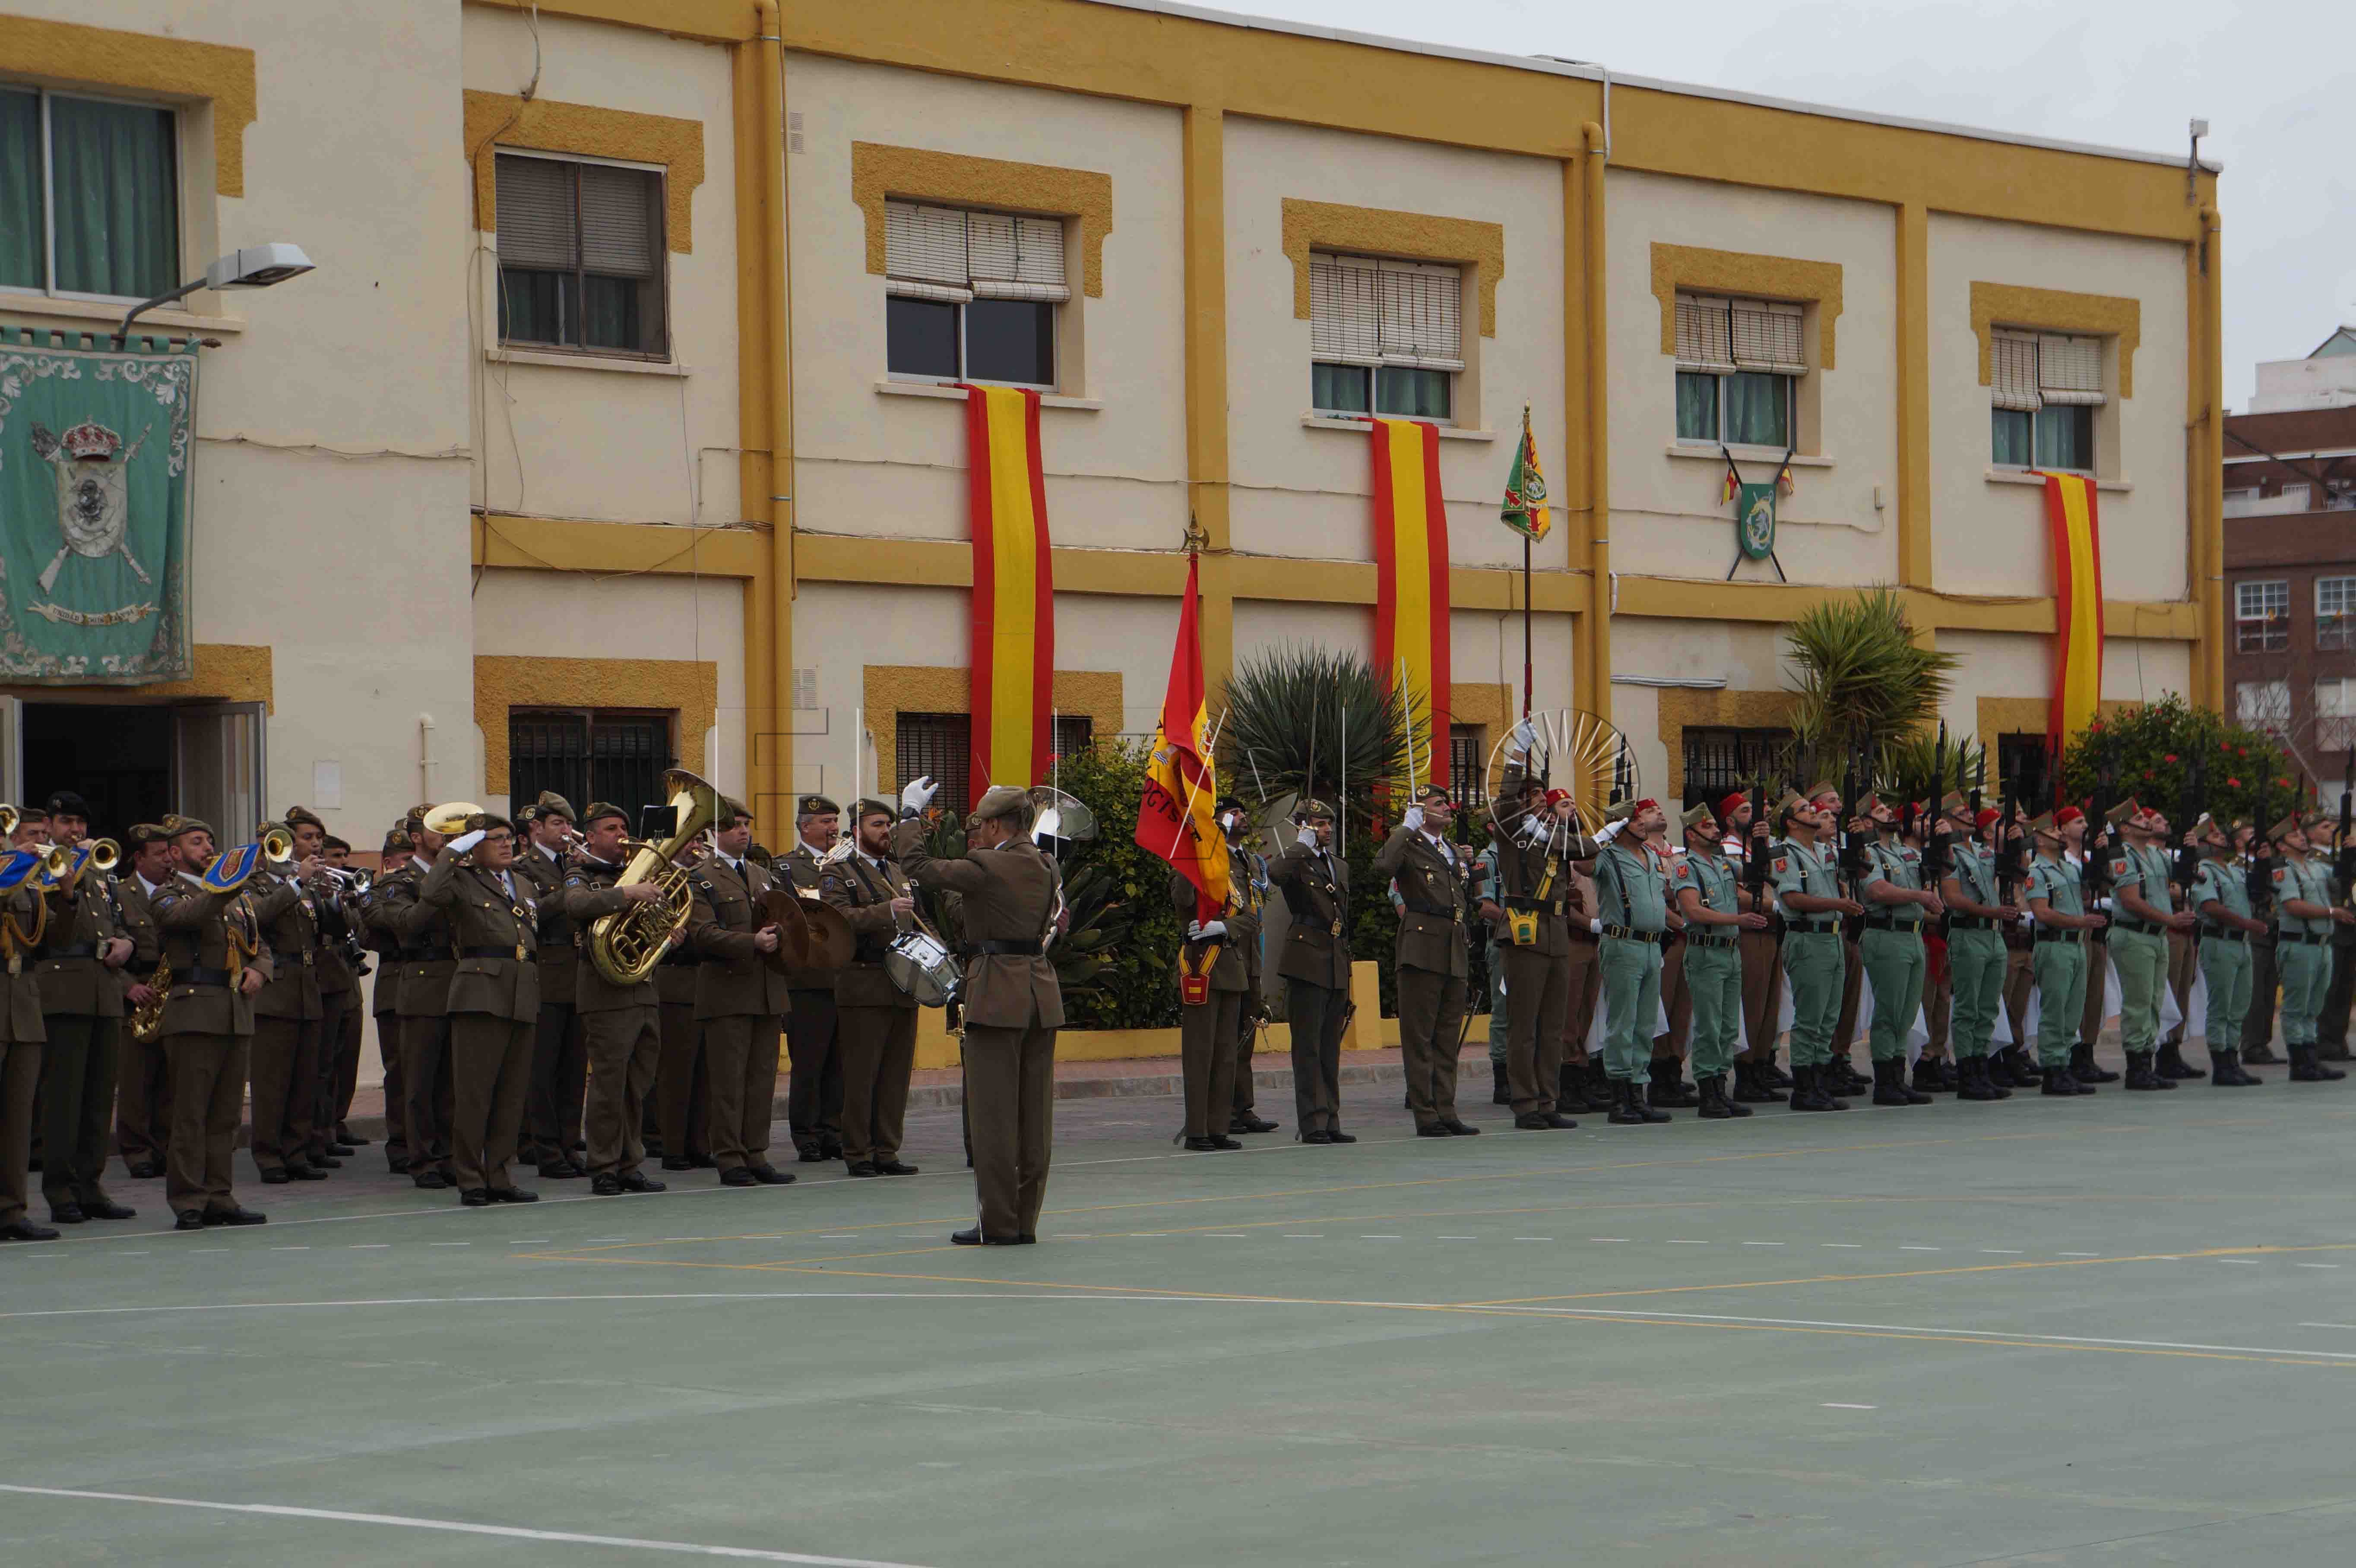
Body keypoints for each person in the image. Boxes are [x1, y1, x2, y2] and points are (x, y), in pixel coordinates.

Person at [893, 778, 1062, 1245]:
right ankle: (1025, 1221)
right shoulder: (1047, 866)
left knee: (993, 1119)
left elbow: (918, 866)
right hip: (1039, 994)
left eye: (981, 825)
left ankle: (998, 1223)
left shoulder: (985, 863)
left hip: (995, 994)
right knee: (1034, 1118)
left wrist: (909, 816)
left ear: (992, 825)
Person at [149, 816, 272, 1229]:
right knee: (191, 1114)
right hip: (194, 1012)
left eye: (209, 841)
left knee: (226, 1117)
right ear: (174, 853)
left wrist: (261, 969)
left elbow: (260, 943)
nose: (206, 848)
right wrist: (225, 885)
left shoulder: (237, 900)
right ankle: (188, 1200)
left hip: (235, 1011)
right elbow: (184, 919)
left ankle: (220, 1195)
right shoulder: (169, 893)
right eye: (196, 842)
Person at [418, 813, 541, 1207]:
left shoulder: (522, 882)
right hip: (480, 994)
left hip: (521, 991)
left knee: (511, 1095)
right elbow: (430, 893)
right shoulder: (461, 880)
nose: (507, 844)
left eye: (509, 838)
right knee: (475, 1094)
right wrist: (454, 851)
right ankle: (470, 1176)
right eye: (495, 839)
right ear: (475, 846)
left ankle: (501, 1176)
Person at [31, 790, 139, 1221]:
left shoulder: (101, 870)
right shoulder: (42, 870)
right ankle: (60, 1191)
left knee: (98, 1099)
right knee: (64, 1099)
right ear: (51, 826)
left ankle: (91, 1184)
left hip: (104, 991)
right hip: (64, 992)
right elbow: (50, 934)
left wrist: (126, 943)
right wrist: (67, 888)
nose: (75, 831)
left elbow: (121, 922)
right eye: (66, 823)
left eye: (80, 824)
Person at [562, 801, 671, 1195]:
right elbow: (575, 907)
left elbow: (657, 922)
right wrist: (627, 892)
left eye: (623, 826)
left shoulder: (636, 872)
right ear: (590, 836)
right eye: (611, 828)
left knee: (636, 1086)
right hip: (605, 994)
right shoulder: (581, 874)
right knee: (610, 1085)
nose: (621, 833)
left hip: (642, 990)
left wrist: (669, 932)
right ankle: (604, 1166)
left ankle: (630, 1163)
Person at [686, 798, 795, 1187]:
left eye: (747, 825)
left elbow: (786, 918)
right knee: (729, 1080)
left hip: (766, 990)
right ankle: (730, 1157)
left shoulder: (762, 875)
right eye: (734, 826)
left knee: (762, 1078)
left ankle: (756, 1152)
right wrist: (752, 942)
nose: (744, 831)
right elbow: (702, 934)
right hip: (727, 990)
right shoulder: (701, 876)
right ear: (713, 833)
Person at [823, 797, 923, 1176]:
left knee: (896, 1076)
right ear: (857, 830)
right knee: (862, 1075)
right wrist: (886, 911)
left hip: (902, 983)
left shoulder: (897, 872)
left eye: (888, 825)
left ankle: (887, 1150)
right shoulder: (838, 872)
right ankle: (858, 1152)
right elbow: (837, 920)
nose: (886, 832)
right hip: (863, 983)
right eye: (878, 825)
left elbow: (918, 917)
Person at [1479, 780, 1585, 1131]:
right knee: (1524, 1025)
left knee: (1553, 1025)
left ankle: (1548, 1099)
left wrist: (1570, 821)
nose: (1545, 802)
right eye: (1538, 797)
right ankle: (1525, 1103)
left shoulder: (1552, 838)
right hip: (1525, 930)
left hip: (1555, 932)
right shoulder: (1513, 837)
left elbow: (1589, 851)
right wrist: (1517, 760)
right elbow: (1506, 807)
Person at [1376, 784, 1479, 1137]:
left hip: (1454, 945)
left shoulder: (1449, 849)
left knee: (1448, 1036)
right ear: (1420, 812)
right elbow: (1383, 866)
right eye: (1438, 804)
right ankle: (1426, 1113)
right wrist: (1405, 827)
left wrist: (1464, 861)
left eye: (1446, 803)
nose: (1447, 808)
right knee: (1420, 1037)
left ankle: (1447, 1109)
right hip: (1422, 947)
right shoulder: (1407, 844)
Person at [1168, 797, 1260, 1151]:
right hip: (1200, 967)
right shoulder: (1194, 865)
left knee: (1225, 1053)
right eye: (1231, 815)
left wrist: (1224, 925)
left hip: (1230, 966)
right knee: (1200, 1052)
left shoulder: (1232, 874)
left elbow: (1251, 918)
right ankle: (1198, 1130)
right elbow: (1182, 897)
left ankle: (1219, 1127)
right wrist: (1197, 847)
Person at [374, 809, 459, 1189]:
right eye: (436, 830)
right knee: (419, 1080)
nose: (446, 834)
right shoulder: (401, 881)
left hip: (460, 982)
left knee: (453, 1081)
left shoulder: (462, 875)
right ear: (416, 838)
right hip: (422, 982)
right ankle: (422, 1159)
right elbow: (407, 923)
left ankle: (452, 1155)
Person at [246, 816, 332, 1182]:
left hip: (307, 988)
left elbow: (328, 931)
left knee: (304, 1079)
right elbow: (258, 917)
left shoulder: (308, 886)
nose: (313, 845)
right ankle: (269, 1156)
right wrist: (299, 883)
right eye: (305, 839)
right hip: (275, 991)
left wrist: (336, 900)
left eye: (316, 840)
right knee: (272, 1082)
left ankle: (296, 1152)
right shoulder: (254, 884)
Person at [1669, 803, 1769, 1119]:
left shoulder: (1724, 865)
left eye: (1715, 824)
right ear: (1692, 834)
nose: (1715, 830)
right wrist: (1737, 920)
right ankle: (1707, 1092)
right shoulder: (1687, 867)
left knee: (1727, 1026)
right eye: (1708, 826)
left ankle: (1720, 1087)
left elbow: (1759, 871)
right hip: (1706, 950)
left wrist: (1763, 840)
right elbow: (1693, 911)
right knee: (1709, 1025)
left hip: (1729, 950)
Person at [1771, 791, 1863, 1112]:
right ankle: (1804, 1088)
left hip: (1833, 938)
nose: (1814, 812)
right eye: (1805, 810)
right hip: (1808, 937)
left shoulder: (1826, 851)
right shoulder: (1784, 853)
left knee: (1828, 1018)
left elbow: (1857, 873)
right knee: (1810, 1017)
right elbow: (1793, 899)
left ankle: (1819, 1082)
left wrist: (1856, 839)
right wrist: (1837, 904)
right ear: (1791, 822)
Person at [1270, 800, 1354, 1144]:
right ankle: (1312, 1122)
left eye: (1329, 824)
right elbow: (1275, 875)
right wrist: (1300, 844)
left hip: (1335, 958)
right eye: (1319, 824)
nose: (1327, 830)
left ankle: (1331, 1118)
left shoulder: (1339, 866)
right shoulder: (1296, 861)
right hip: (1307, 959)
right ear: (1304, 826)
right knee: (1308, 1048)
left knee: (1330, 1047)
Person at [516, 792, 587, 1179]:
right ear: (537, 829)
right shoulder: (524, 868)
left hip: (581, 974)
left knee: (575, 1068)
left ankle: (569, 1142)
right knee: (544, 1068)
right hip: (547, 971)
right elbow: (532, 914)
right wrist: (572, 888)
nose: (566, 831)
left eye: (568, 824)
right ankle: (544, 1147)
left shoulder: (580, 864)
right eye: (558, 824)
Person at [1589, 798, 1673, 1124]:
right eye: (1634, 819)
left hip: (1652, 946)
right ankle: (1620, 1096)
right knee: (1622, 1022)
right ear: (1619, 825)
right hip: (1623, 943)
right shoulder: (1607, 857)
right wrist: (1601, 837)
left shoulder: (1652, 855)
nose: (1642, 823)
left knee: (1645, 1023)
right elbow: (1582, 865)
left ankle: (1639, 1091)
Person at [1855, 794, 1936, 1107]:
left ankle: (1898, 1077)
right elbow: (1876, 890)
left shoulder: (1905, 853)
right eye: (1880, 811)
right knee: (1889, 1011)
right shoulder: (1867, 853)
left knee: (1906, 1013)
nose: (1889, 813)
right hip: (1886, 933)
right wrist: (1919, 895)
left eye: (1888, 808)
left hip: (1912, 934)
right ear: (1866, 822)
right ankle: (1885, 1082)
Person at [779, 795, 847, 1162]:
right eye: (825, 822)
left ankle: (833, 1131)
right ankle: (806, 1134)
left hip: (844, 978)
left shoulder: (849, 866)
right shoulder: (787, 869)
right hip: (807, 981)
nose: (833, 828)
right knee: (809, 1063)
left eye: (835, 821)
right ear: (806, 826)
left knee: (839, 1063)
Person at [1938, 797, 2019, 1101]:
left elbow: (2015, 873)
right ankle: (1967, 1072)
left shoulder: (1983, 852)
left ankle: (1982, 1067)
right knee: (1968, 1007)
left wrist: (2015, 844)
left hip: (1993, 935)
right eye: (1962, 814)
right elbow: (1953, 898)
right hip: (1969, 932)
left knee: (1988, 1008)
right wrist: (1991, 913)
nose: (1970, 816)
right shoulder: (1949, 853)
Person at [2266, 813, 2355, 1084]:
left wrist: (2350, 854)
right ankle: (2300, 1062)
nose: (2302, 838)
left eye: (2302, 835)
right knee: (2296, 1007)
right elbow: (2292, 905)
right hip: (2299, 944)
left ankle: (2311, 1058)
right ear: (2281, 846)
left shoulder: (2316, 868)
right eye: (2294, 836)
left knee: (2314, 1006)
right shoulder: (2283, 870)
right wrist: (2331, 912)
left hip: (2321, 945)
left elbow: (2343, 878)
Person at [2027, 813, 2104, 1097]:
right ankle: (2052, 1070)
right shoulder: (2038, 872)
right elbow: (2042, 912)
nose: (2058, 834)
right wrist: (2079, 922)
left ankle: (2065, 1066)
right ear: (2038, 839)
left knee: (2072, 1011)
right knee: (2055, 1010)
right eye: (2050, 830)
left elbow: (2092, 885)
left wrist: (2101, 850)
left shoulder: (2069, 869)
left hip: (2076, 944)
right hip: (2055, 944)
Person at [114, 825, 174, 1179]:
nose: (167, 859)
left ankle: (164, 1146)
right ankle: (136, 1151)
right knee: (136, 1080)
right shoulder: (120, 893)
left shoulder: (177, 891)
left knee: (169, 1078)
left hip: (170, 991)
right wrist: (127, 987)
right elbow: (104, 945)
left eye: (169, 852)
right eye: (158, 854)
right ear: (138, 858)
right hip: (136, 991)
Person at [1721, 790, 1788, 1104]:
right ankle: (1746, 1073)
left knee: (1770, 1008)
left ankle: (1761, 1067)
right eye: (1746, 811)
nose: (1755, 816)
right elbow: (1735, 894)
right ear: (1731, 820)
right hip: (1749, 931)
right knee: (1752, 1005)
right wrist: (1776, 905)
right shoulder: (1727, 850)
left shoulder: (1764, 848)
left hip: (1772, 933)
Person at [2190, 815, 2267, 1087]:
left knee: (2239, 1006)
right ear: (2202, 844)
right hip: (2219, 941)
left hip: (2241, 943)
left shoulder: (2236, 870)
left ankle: (2232, 1060)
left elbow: (2261, 891)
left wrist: (2264, 860)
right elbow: (2210, 907)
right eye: (2214, 837)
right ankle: (2221, 1065)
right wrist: (2247, 923)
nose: (2222, 838)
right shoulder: (2203, 871)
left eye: (2222, 836)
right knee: (2221, 1006)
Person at [1, 858, 55, 1241]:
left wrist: (66, 893)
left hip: (22, 1005)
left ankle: (11, 1210)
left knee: (17, 1122)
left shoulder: (33, 885)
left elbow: (60, 940)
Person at [364, 828, 414, 1173]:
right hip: (396, 984)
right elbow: (370, 933)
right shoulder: (381, 892)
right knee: (399, 1072)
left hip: (431, 985)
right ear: (388, 863)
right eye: (406, 860)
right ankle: (400, 1146)